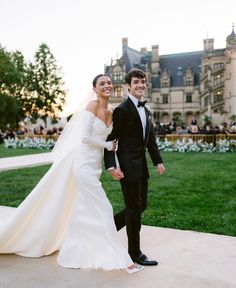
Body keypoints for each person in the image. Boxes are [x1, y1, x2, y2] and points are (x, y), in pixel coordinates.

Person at [0, 74, 143, 273]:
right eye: (102, 83)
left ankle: (76, 248)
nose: (107, 85)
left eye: (109, 82)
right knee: (103, 208)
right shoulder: (91, 106)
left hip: (95, 167)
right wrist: (108, 145)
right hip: (82, 164)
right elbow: (85, 138)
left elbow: (114, 137)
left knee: (83, 209)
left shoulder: (111, 110)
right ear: (94, 89)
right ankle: (123, 260)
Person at [104, 68, 165, 266]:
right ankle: (134, 253)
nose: (140, 85)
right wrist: (112, 165)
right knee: (133, 208)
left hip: (142, 168)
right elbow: (111, 140)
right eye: (136, 82)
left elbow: (151, 140)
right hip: (127, 167)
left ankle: (107, 229)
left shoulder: (146, 110)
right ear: (128, 86)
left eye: (143, 82)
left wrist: (157, 161)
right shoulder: (122, 110)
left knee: (140, 206)